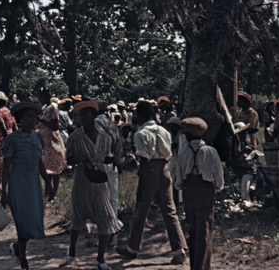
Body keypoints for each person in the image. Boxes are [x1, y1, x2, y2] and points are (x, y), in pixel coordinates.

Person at [116, 101, 188, 264]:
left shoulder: (141, 133)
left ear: (140, 115)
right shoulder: (163, 130)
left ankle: (132, 248)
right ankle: (179, 249)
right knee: (170, 210)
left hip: (150, 169)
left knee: (141, 208)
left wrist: (142, 176)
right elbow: (168, 153)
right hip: (164, 168)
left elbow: (144, 158)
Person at [66, 101, 123, 270]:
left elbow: (106, 156)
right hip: (82, 180)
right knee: (78, 217)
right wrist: (79, 160)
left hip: (99, 180)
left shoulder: (105, 138)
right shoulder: (75, 137)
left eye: (85, 115)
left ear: (93, 116)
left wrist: (117, 162)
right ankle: (72, 250)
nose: (82, 118)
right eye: (80, 115)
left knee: (105, 216)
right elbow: (68, 159)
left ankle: (100, 258)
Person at [1, 102, 53, 270]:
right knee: (22, 219)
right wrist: (3, 191)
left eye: (34, 117)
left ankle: (17, 246)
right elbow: (6, 166)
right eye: (29, 117)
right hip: (18, 182)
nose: (33, 120)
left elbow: (39, 162)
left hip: (33, 182)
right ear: (20, 119)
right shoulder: (12, 139)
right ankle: (23, 258)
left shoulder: (37, 137)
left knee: (33, 219)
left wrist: (48, 182)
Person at [172, 118, 224, 270]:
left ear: (188, 135)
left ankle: (195, 265)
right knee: (205, 228)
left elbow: (179, 179)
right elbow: (219, 178)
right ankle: (202, 266)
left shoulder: (184, 152)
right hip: (205, 190)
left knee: (193, 228)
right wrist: (215, 188)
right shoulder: (211, 152)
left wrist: (182, 187)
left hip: (189, 191)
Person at [94, 100, 126, 246]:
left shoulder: (93, 124)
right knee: (113, 199)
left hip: (98, 165)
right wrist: (119, 163)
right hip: (112, 162)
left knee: (99, 201)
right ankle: (113, 236)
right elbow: (119, 145)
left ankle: (102, 234)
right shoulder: (112, 124)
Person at [36, 87, 66, 201]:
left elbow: (55, 126)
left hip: (53, 142)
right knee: (47, 168)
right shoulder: (44, 108)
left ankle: (54, 191)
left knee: (55, 169)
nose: (39, 100)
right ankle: (47, 190)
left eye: (40, 97)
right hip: (45, 143)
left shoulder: (53, 107)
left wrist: (42, 121)